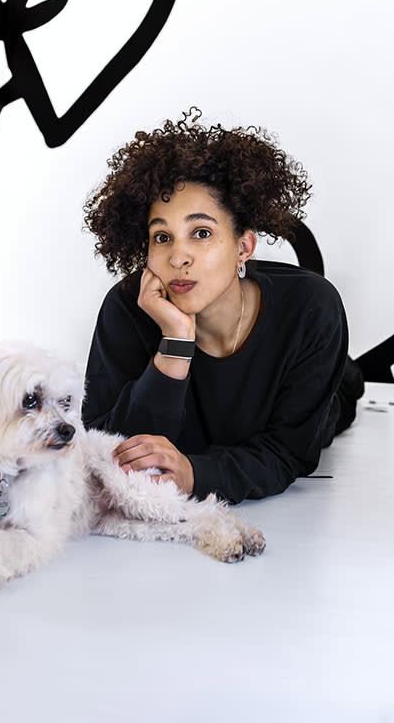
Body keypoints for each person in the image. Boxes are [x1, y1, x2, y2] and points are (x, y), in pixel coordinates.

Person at [81, 108, 363, 504]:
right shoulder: (128, 309)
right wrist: (176, 341)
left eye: (201, 233)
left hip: (308, 401)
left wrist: (195, 474)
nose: (179, 256)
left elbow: (288, 452)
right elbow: (110, 448)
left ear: (243, 247)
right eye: (162, 237)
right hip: (206, 418)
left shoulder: (310, 308)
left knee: (341, 398)